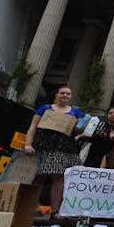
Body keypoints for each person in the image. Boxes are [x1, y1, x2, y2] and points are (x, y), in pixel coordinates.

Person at [24, 85, 83, 215]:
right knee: (39, 177)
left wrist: (84, 127)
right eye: (62, 93)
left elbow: (79, 130)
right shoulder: (45, 108)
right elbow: (33, 126)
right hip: (43, 146)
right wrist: (28, 144)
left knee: (60, 178)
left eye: (68, 94)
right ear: (57, 95)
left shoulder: (76, 112)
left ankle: (55, 210)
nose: (65, 96)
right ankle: (30, 207)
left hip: (64, 149)